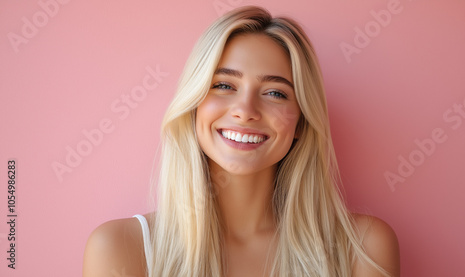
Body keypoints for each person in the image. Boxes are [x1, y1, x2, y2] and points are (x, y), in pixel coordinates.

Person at [83, 6, 399, 277]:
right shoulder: (120, 249)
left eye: (275, 92)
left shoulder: (364, 249)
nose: (245, 111)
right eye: (223, 85)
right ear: (194, 105)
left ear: (301, 120)